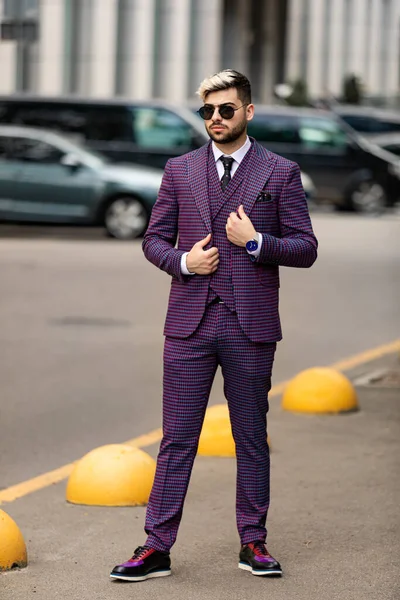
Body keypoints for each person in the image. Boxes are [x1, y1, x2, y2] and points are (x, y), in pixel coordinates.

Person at [110, 69, 318, 582]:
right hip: (189, 324)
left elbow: (307, 248)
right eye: (208, 111)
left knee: (250, 436)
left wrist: (256, 243)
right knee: (177, 439)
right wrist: (184, 263)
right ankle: (156, 547)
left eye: (226, 109)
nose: (216, 119)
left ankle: (253, 541)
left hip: (250, 326)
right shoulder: (179, 169)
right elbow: (152, 240)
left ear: (248, 111)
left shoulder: (280, 172)